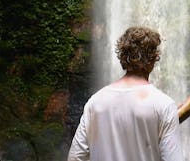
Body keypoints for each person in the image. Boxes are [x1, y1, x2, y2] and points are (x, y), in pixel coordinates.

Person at [68, 26, 183, 161]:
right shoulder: (164, 105)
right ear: (153, 60)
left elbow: (75, 157)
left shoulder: (95, 102)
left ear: (122, 57)